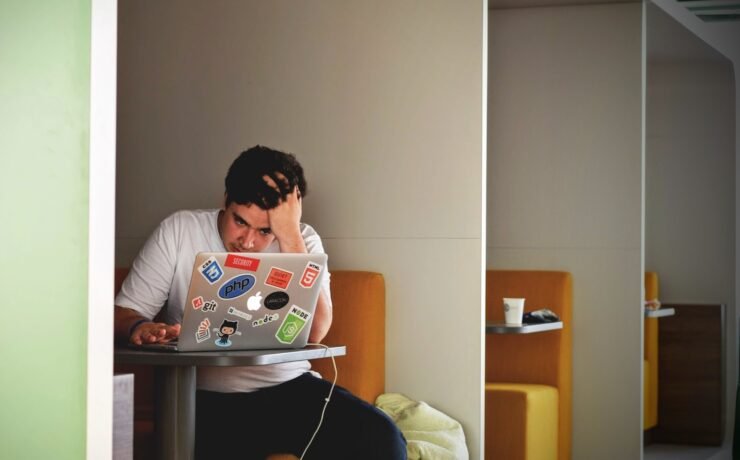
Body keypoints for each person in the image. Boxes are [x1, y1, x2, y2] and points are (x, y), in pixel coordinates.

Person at [114, 145, 407, 459]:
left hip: (289, 388)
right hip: (203, 398)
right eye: (240, 222)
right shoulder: (179, 230)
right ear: (225, 200)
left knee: (383, 439)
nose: (248, 242)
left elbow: (316, 332)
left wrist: (289, 235)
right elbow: (123, 314)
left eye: (265, 230)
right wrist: (140, 327)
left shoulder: (303, 240)